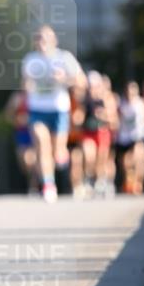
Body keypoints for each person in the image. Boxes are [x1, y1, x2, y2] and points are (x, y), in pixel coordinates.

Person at [21, 26, 85, 203]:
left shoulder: (63, 58)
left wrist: (64, 79)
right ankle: (49, 185)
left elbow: (81, 81)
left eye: (45, 38)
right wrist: (26, 88)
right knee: (42, 145)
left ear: (54, 40)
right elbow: (25, 83)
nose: (42, 42)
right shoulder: (30, 60)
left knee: (57, 151)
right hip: (37, 109)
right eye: (38, 38)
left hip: (59, 109)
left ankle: (61, 157)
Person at [115, 81, 144, 194]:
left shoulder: (141, 104)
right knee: (125, 162)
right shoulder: (121, 104)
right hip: (124, 138)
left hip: (138, 136)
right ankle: (129, 182)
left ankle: (139, 183)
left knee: (137, 158)